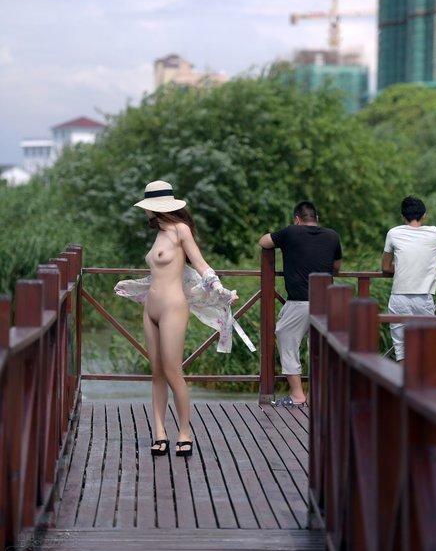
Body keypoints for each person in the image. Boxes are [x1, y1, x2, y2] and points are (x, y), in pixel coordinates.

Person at [114, 180, 255, 457]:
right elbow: (157, 275)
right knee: (156, 372)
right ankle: (159, 433)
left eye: (147, 206)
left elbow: (200, 264)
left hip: (173, 308)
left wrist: (220, 289)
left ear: (156, 207)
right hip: (151, 309)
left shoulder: (181, 229)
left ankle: (184, 432)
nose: (145, 211)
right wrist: (132, 287)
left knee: (172, 371)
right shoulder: (159, 234)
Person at [259, 200, 342, 406]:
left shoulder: (291, 232)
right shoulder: (333, 235)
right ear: (317, 219)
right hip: (326, 301)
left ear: (297, 219)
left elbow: (264, 241)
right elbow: (336, 266)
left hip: (300, 301)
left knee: (286, 338)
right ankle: (319, 396)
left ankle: (297, 395)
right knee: (320, 349)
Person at [382, 196, 436, 361]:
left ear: (403, 216)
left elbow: (385, 267)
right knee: (429, 347)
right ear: (424, 215)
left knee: (401, 351)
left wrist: (404, 267)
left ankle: (404, 378)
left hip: (398, 298)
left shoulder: (393, 233)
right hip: (423, 298)